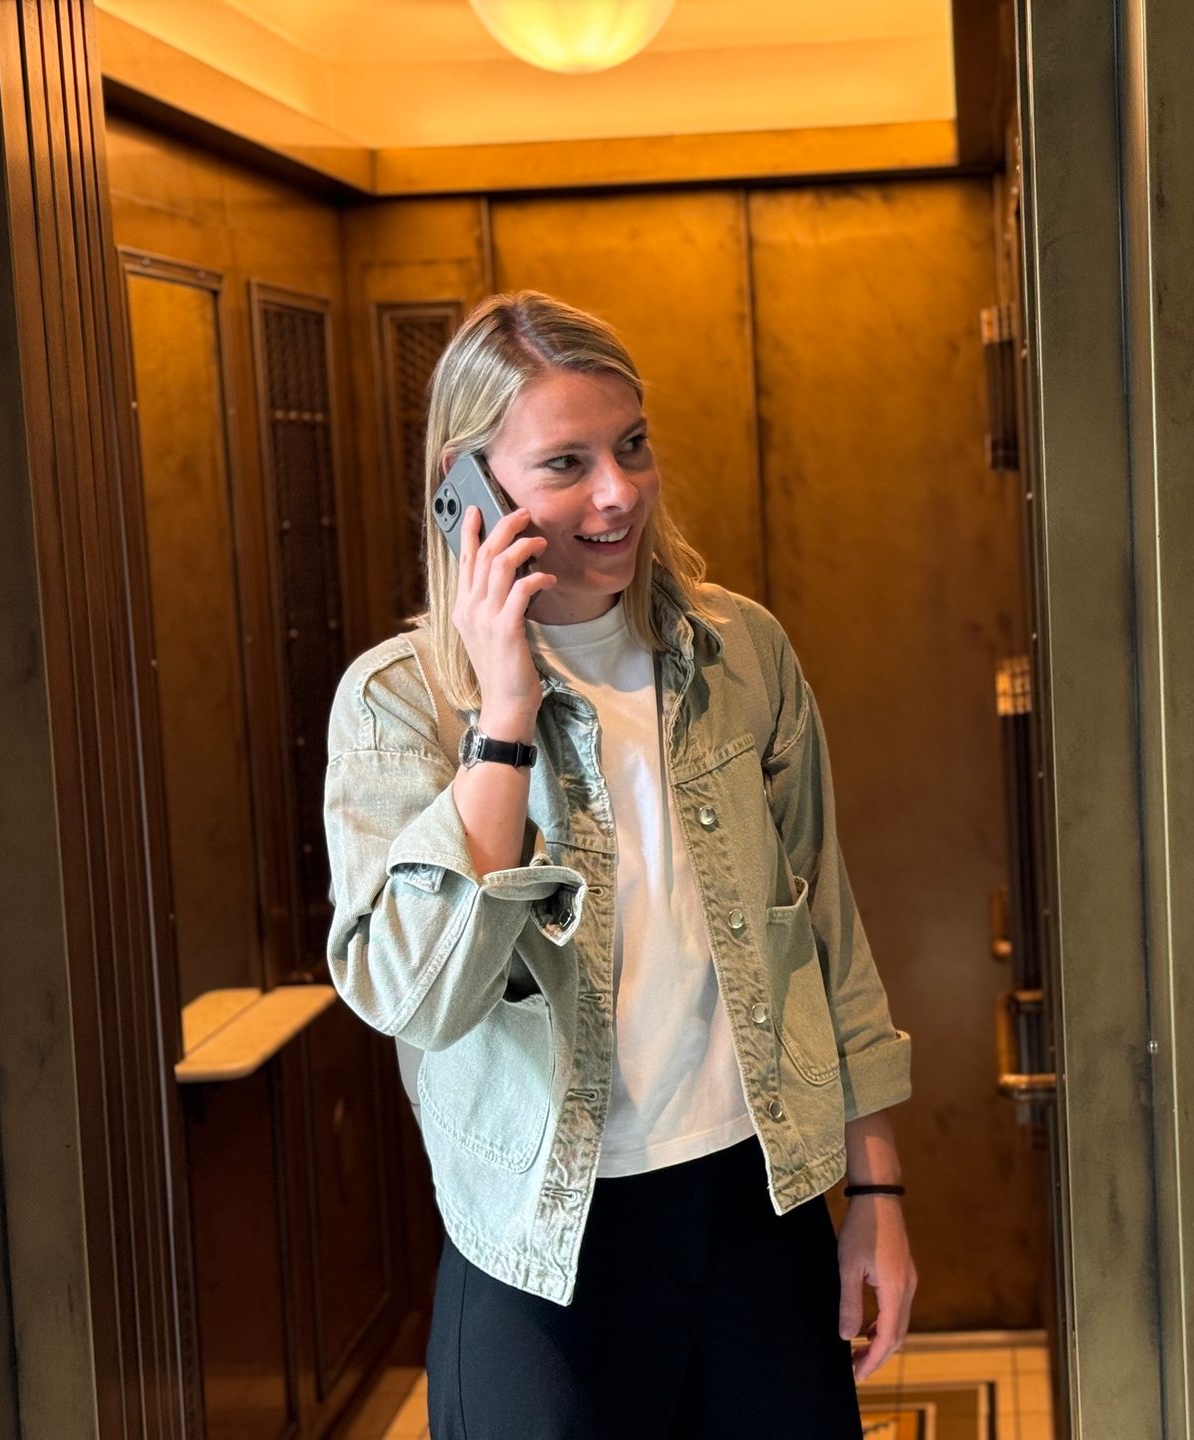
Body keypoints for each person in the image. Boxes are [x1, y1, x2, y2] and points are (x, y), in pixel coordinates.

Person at [322, 290, 915, 1438]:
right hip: (541, 1248)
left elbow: (826, 932)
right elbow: (417, 997)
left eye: (631, 445)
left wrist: (876, 1187)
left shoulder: (742, 653)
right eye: (565, 463)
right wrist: (503, 714)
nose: (618, 493)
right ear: (470, 489)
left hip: (758, 1204)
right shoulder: (401, 703)